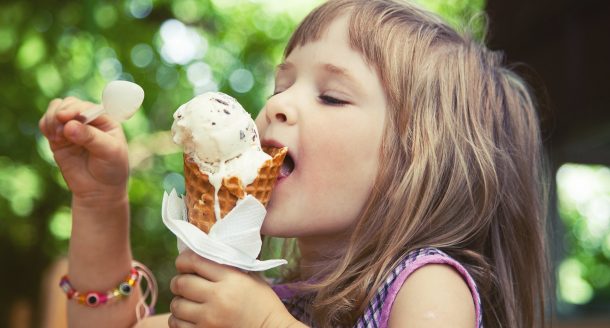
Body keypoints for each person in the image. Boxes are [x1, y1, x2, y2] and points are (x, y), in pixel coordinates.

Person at [39, 0, 548, 327]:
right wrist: (100, 201)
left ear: (418, 163)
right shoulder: (266, 297)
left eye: (331, 96)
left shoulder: (426, 285)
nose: (275, 106)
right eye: (282, 85)